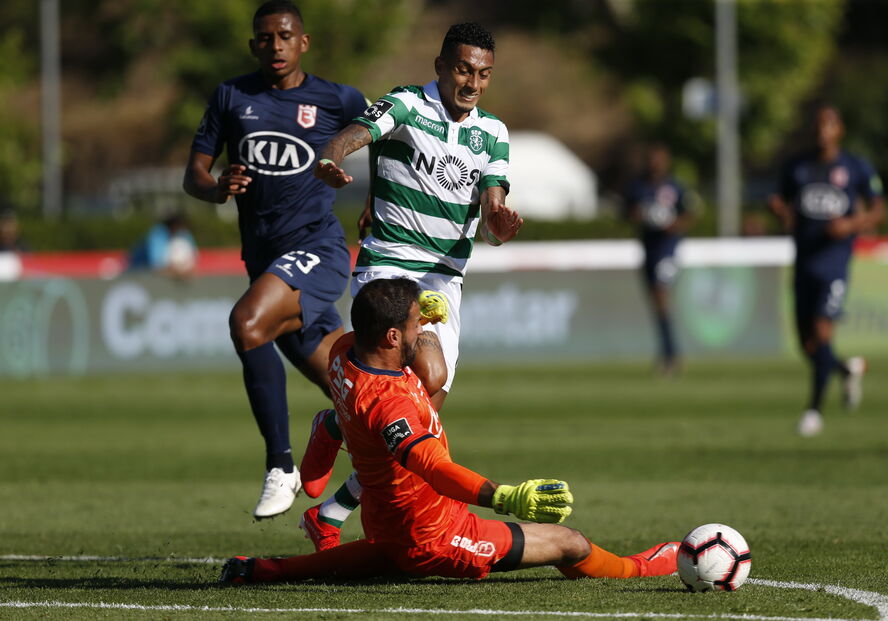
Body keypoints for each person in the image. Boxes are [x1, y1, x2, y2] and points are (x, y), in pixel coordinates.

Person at [219, 278, 679, 585]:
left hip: (387, 519)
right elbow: (436, 470)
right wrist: (505, 498)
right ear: (392, 338)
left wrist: (423, 317)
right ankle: (640, 569)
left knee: (368, 557)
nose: (423, 329)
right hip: (435, 535)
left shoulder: (344, 349)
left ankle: (263, 563)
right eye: (416, 324)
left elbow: (418, 360)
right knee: (571, 543)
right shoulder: (389, 404)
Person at [297, 22, 523, 549]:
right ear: (441, 65)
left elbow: (492, 199)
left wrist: (498, 221)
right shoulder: (405, 104)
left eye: (484, 74)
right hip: (390, 263)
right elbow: (356, 133)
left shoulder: (493, 132)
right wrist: (332, 158)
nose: (473, 82)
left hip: (444, 278)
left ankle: (333, 470)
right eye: (464, 69)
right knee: (427, 371)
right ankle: (336, 445)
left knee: (426, 406)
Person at [181, 0, 368, 518]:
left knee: (246, 323)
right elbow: (192, 175)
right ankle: (403, 476)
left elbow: (389, 142)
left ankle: (281, 466)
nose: (275, 46)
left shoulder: (336, 99)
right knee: (357, 393)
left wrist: (376, 202)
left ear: (302, 42)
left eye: (285, 36)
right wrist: (217, 187)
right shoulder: (231, 96)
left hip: (318, 249)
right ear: (253, 45)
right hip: (265, 264)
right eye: (265, 38)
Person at [768, 102, 885, 437]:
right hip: (804, 261)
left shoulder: (855, 167)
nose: (823, 132)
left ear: (839, 130)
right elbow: (782, 202)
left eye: (829, 125)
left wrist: (850, 225)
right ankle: (846, 369)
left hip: (834, 263)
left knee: (822, 332)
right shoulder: (797, 167)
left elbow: (878, 210)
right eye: (818, 125)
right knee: (807, 346)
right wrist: (778, 209)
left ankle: (813, 411)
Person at [623, 143, 694, 375]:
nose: (656, 163)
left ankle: (670, 356)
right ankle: (669, 354)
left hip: (668, 250)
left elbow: (690, 213)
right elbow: (626, 212)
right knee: (656, 302)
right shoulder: (639, 186)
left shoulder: (675, 187)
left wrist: (674, 225)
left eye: (660, 159)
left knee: (662, 297)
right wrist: (641, 215)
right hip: (649, 250)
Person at [126, 212, 198, 279]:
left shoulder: (184, 234)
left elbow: (193, 257)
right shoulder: (158, 234)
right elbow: (157, 265)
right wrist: (177, 271)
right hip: (138, 271)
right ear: (173, 225)